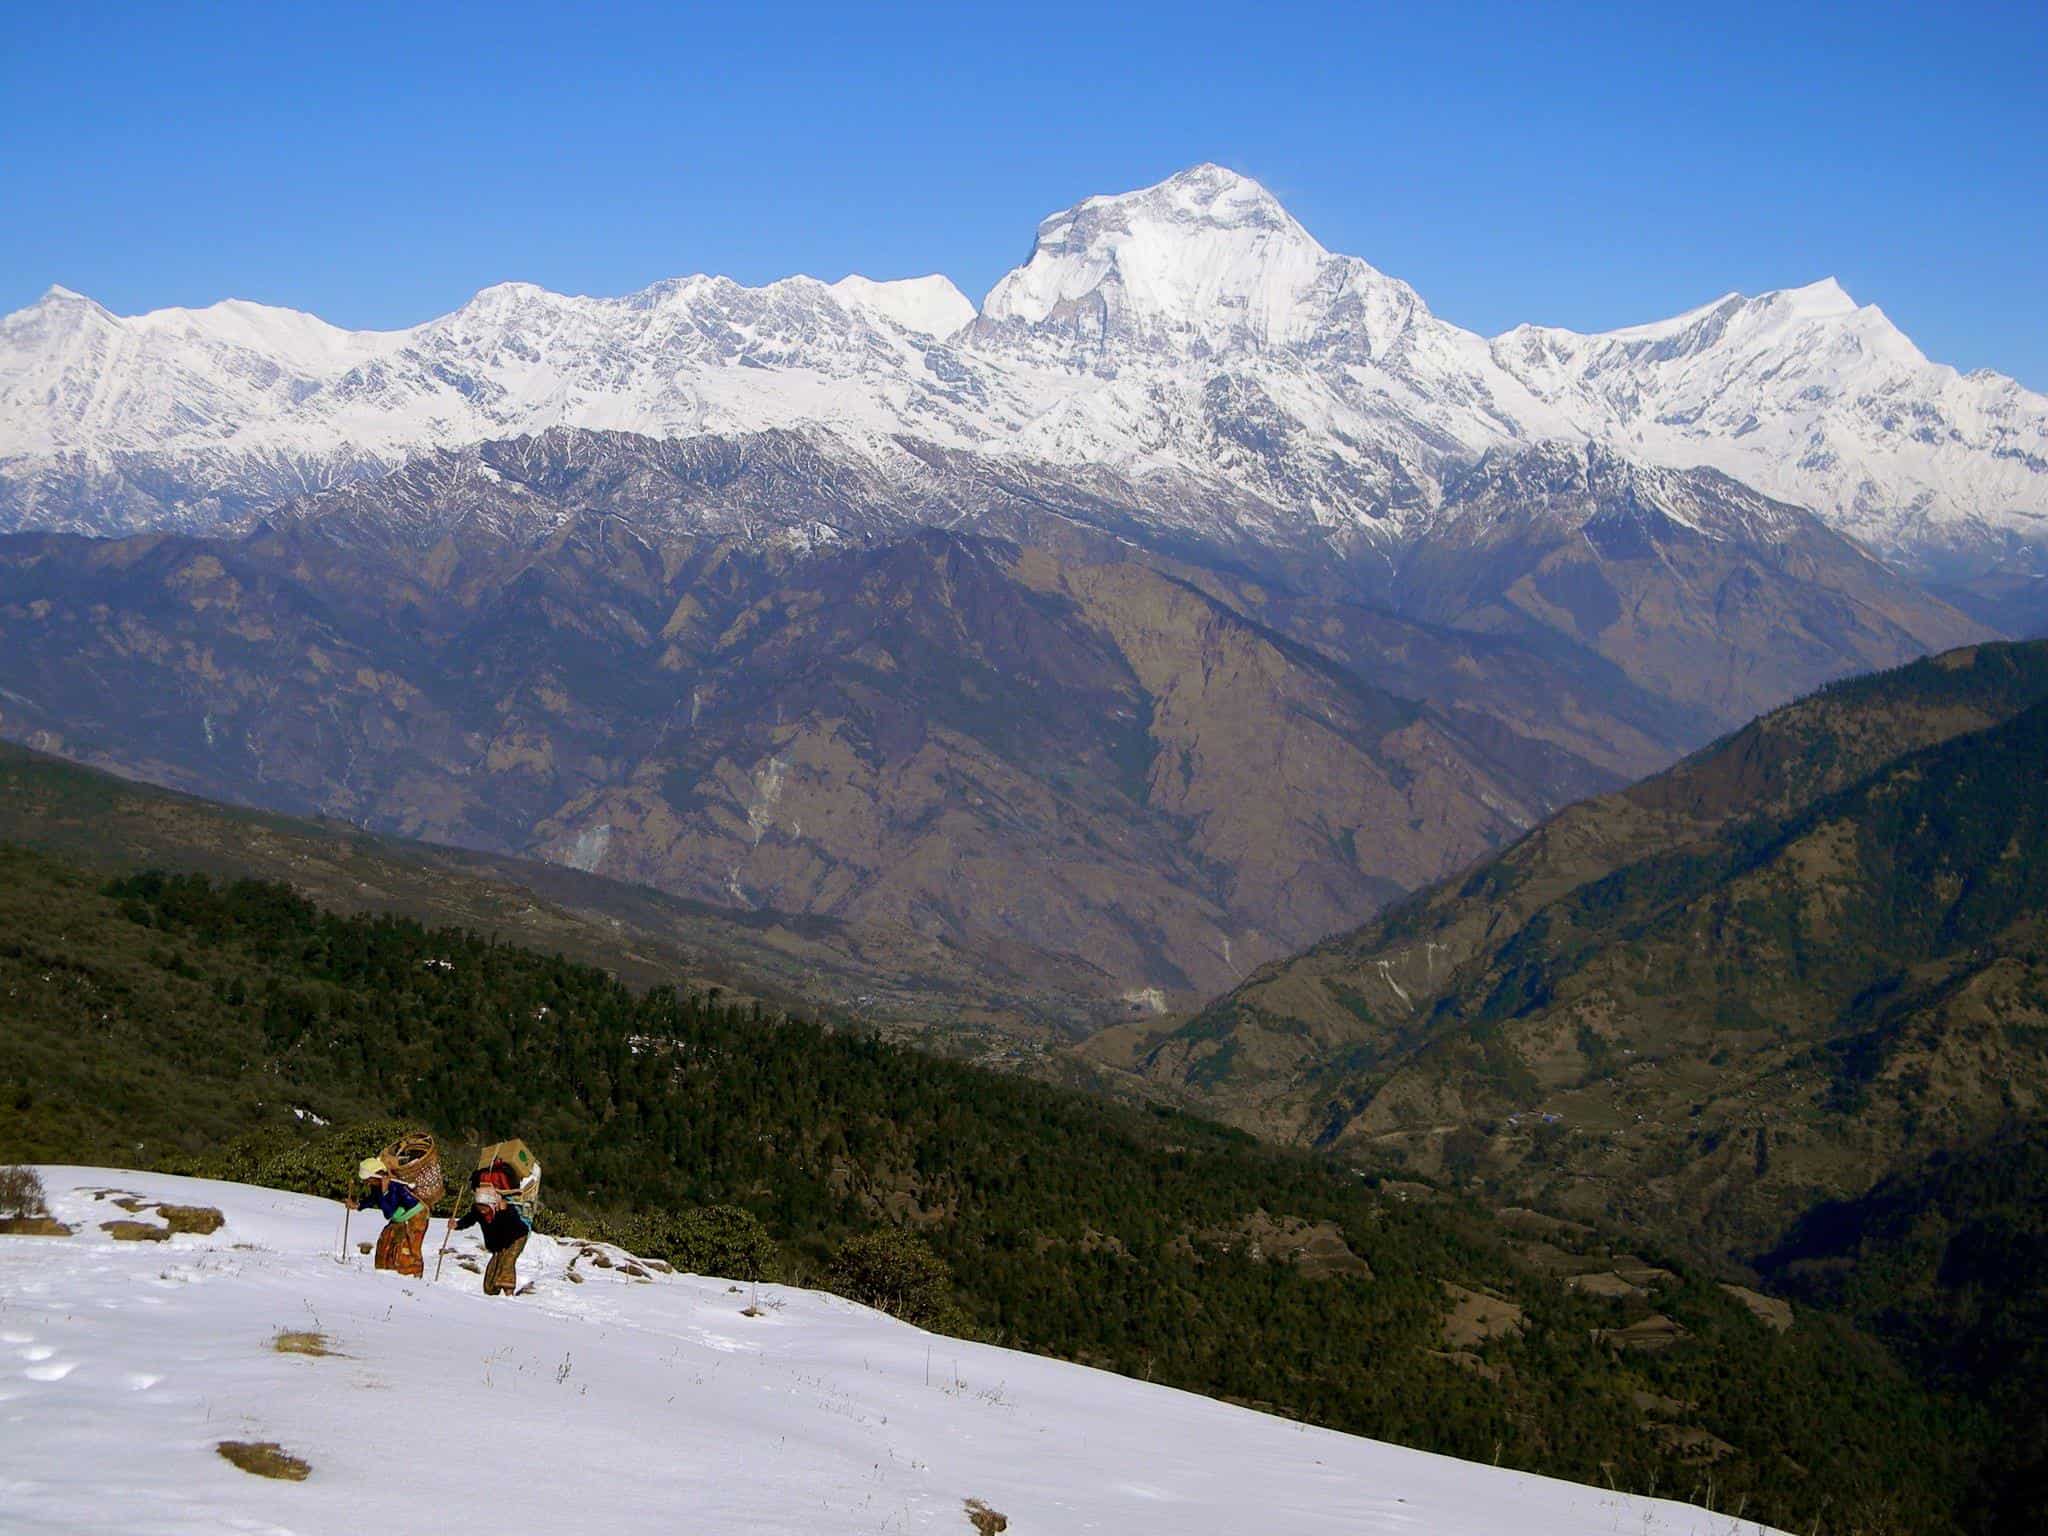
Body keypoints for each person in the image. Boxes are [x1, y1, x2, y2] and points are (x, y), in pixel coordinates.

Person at [454, 1159, 532, 1296]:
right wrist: (457, 1225)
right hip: (499, 1242)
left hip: (516, 1237)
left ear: (492, 1204)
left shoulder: (506, 1209)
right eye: (480, 1207)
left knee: (507, 1262)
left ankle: (509, 1295)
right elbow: (469, 1219)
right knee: (492, 1275)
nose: (482, 1211)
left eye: (484, 1207)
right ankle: (491, 1293)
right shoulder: (478, 1211)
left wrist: (504, 1212)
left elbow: (512, 1227)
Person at [351, 1157, 430, 1278]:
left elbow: (389, 1212)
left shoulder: (394, 1185)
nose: (366, 1183)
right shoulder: (377, 1184)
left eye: (368, 1180)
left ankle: (412, 1275)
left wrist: (385, 1191)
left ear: (376, 1175)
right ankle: (386, 1272)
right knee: (387, 1239)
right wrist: (358, 1205)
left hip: (416, 1216)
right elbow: (373, 1198)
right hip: (401, 1215)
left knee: (407, 1247)